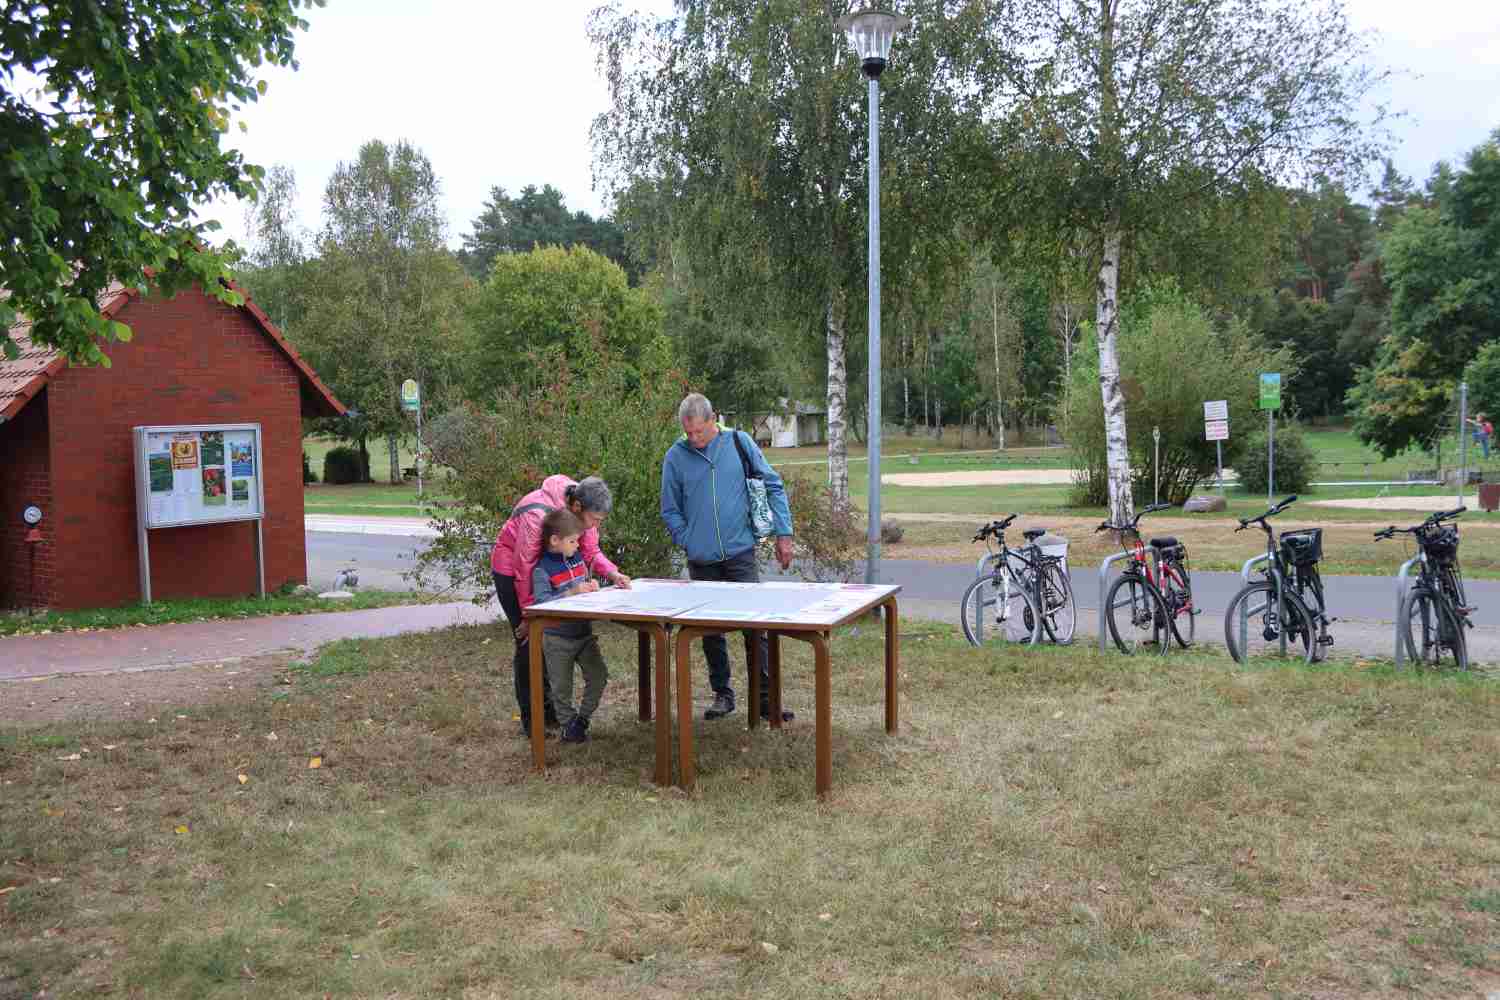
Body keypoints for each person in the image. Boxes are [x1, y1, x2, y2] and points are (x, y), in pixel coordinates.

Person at [660, 392, 794, 721]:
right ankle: (722, 694)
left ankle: (765, 700)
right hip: (702, 558)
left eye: (699, 432)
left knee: (756, 627)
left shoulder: (739, 442)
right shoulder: (675, 457)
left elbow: (773, 485)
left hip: (740, 552)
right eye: (687, 433)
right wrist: (688, 540)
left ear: (713, 420)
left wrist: (784, 532)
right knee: (710, 632)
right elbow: (670, 509)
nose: (693, 439)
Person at [491, 475, 631, 736]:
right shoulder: (537, 514)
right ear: (577, 507)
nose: (596, 525)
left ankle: (552, 715)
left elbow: (590, 551)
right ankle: (533, 722)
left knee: (550, 642)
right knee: (529, 643)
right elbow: (525, 568)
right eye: (595, 520)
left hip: (545, 571)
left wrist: (613, 574)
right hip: (513, 572)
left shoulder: (581, 504)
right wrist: (530, 616)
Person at [530, 508, 610, 743]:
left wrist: (593, 586)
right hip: (557, 639)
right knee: (561, 688)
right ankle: (568, 726)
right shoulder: (542, 570)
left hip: (584, 634)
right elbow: (542, 604)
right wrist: (572, 592)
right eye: (573, 541)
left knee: (599, 676)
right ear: (555, 541)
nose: (578, 545)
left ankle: (581, 720)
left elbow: (584, 587)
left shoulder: (578, 560)